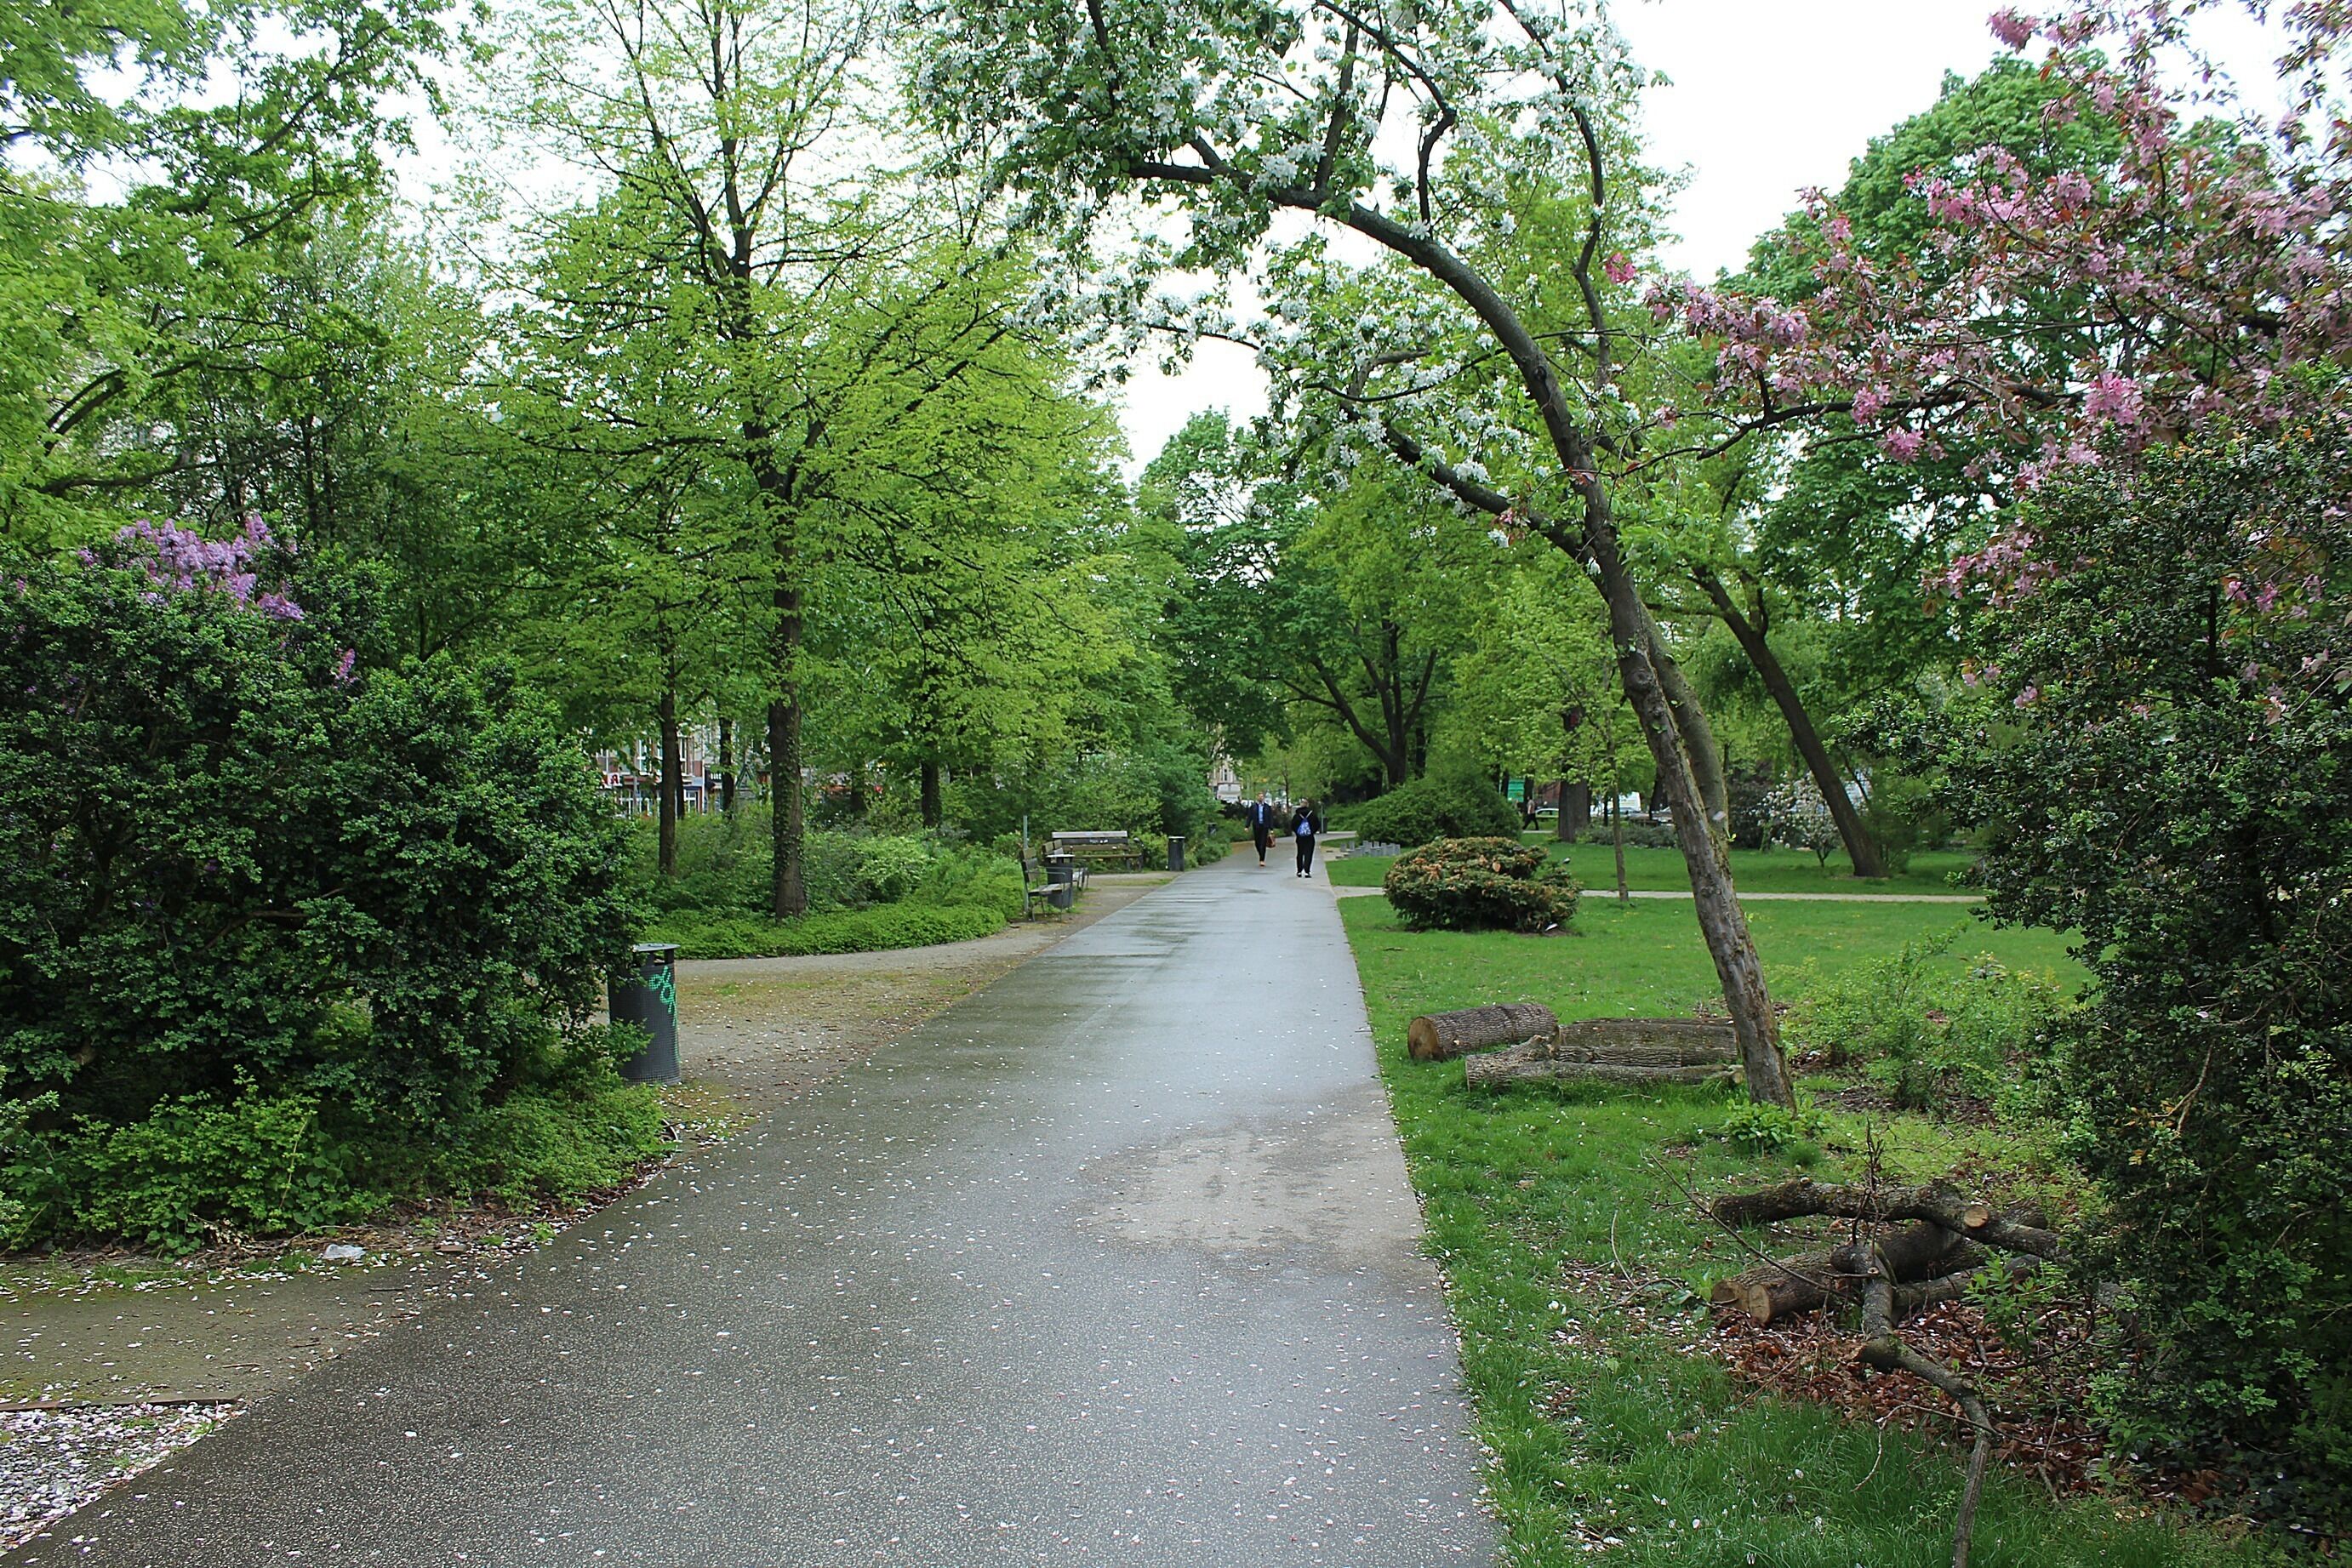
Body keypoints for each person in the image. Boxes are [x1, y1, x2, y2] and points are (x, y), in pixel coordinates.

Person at [1291, 797, 1321, 878]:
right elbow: (1317, 825)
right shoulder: (1312, 815)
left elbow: (1292, 825)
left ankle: (1299, 870)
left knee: (1300, 853)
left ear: (1300, 805)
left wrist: (1298, 832)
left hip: (1300, 838)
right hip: (1309, 837)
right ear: (1307, 805)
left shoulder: (1297, 815)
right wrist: (1312, 831)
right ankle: (1307, 870)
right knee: (1308, 853)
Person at [1245, 792, 1276, 867]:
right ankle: (1260, 853)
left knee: (1263, 843)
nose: (1261, 798)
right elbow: (1250, 817)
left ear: (1264, 798)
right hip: (1256, 826)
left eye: (1262, 797)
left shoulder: (1267, 807)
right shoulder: (1253, 807)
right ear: (1257, 798)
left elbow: (1270, 818)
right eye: (1259, 797)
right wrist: (1247, 826)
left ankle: (1262, 859)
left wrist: (1271, 828)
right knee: (1257, 843)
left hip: (1264, 827)